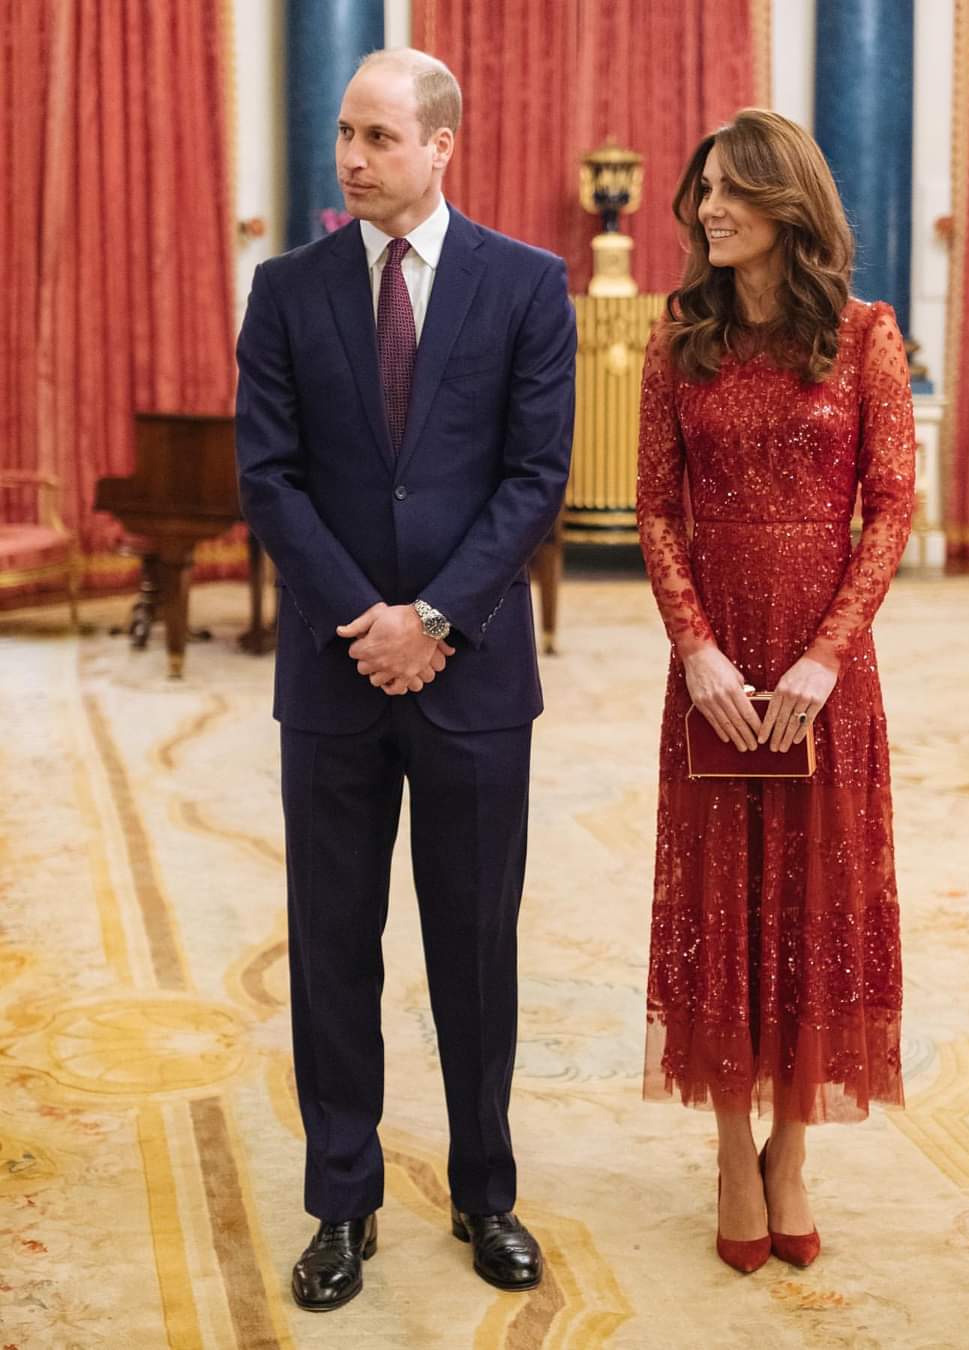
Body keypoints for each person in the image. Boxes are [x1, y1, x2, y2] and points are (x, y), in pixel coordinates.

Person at [235, 47, 576, 1311]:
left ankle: (487, 1192)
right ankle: (342, 1204)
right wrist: (362, 621)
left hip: (473, 675)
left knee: (475, 945)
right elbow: (268, 476)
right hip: (332, 680)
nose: (351, 159)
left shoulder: (528, 286)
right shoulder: (286, 288)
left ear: (442, 145)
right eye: (343, 134)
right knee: (333, 947)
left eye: (378, 137)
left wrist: (432, 617)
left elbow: (534, 476)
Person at [636, 109, 915, 1275]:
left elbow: (891, 507)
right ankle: (727, 1146)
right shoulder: (677, 334)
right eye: (703, 192)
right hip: (711, 660)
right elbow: (655, 505)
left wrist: (823, 655)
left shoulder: (863, 338)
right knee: (719, 903)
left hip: (821, 668)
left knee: (812, 906)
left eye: (733, 191)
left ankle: (791, 1151)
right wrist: (696, 650)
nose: (710, 209)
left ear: (786, 204)